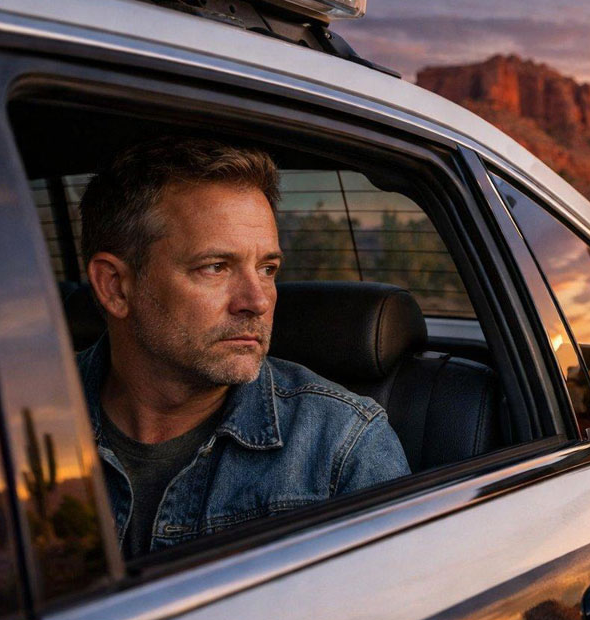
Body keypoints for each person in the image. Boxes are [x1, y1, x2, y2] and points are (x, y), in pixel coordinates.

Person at [76, 137, 410, 558]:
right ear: (115, 286)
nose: (257, 301)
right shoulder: (14, 422)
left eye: (267, 268)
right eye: (215, 267)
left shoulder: (340, 446)